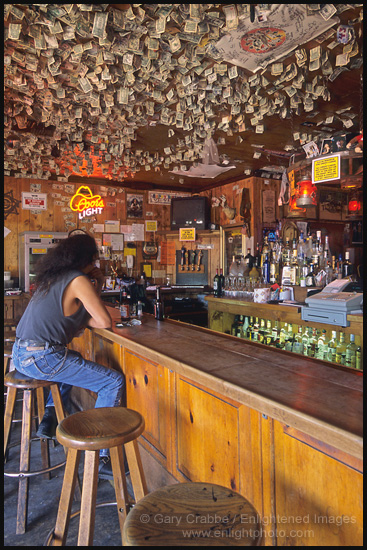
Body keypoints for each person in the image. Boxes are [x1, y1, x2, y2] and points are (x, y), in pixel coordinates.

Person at [12, 233, 125, 479]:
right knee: (112, 381)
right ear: (90, 258)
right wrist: (98, 281)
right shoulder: (78, 280)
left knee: (70, 359)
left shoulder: (52, 278)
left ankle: (50, 417)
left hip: (20, 354)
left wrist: (95, 283)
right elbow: (103, 321)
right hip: (42, 357)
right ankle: (102, 458)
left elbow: (86, 315)